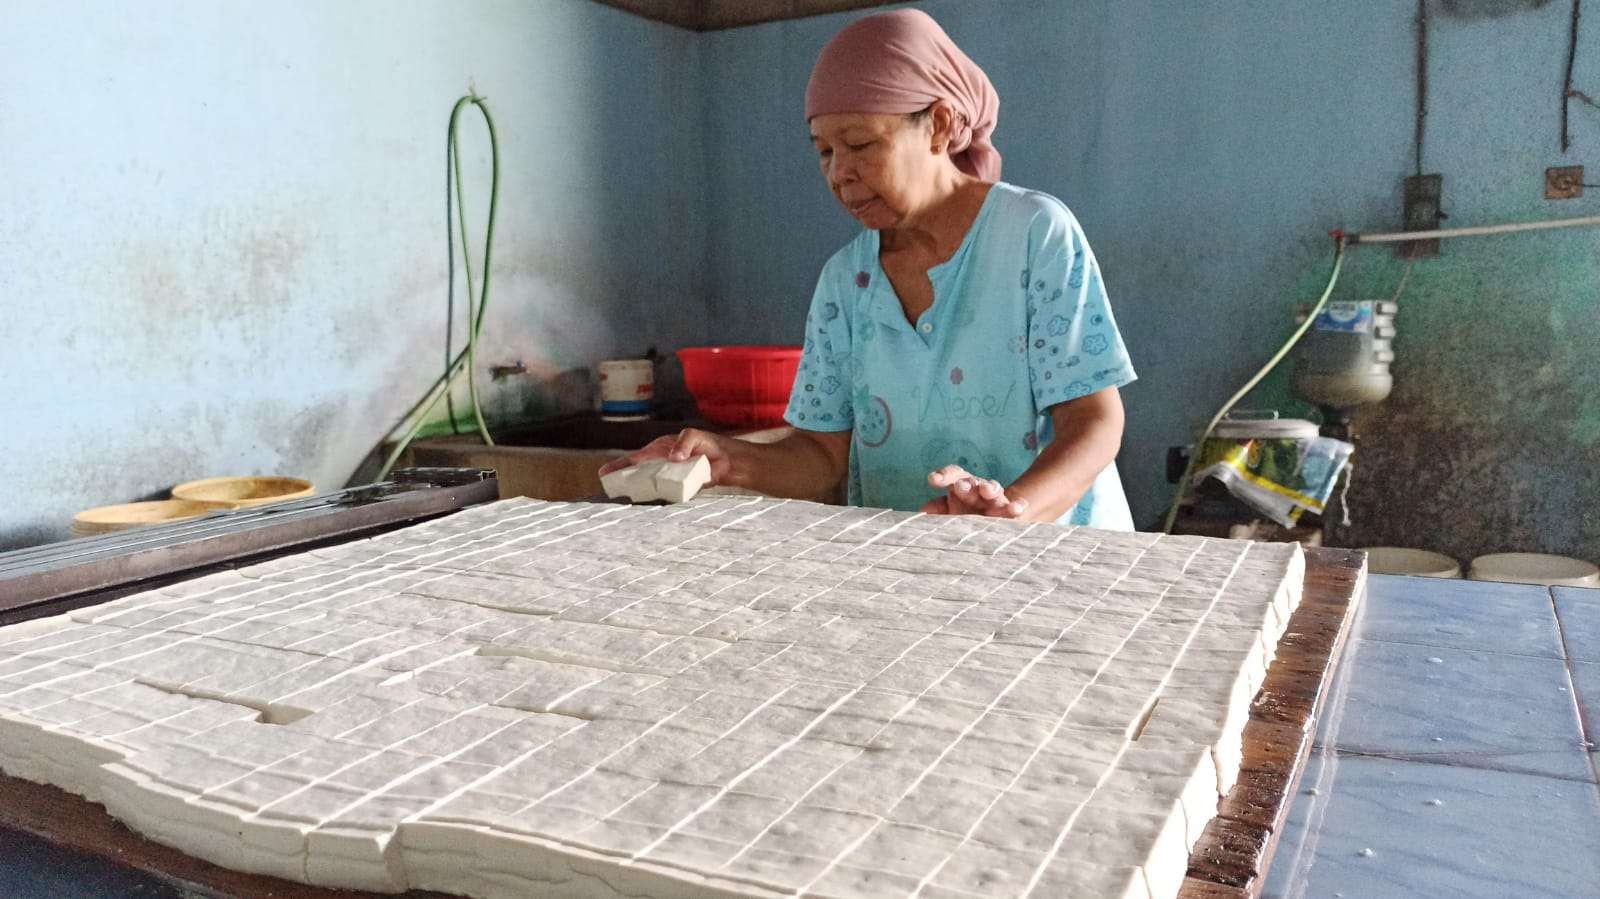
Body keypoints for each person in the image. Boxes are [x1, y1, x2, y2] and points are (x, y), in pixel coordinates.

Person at [600, 9, 1136, 529]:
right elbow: (819, 453)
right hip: (911, 571)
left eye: (860, 144)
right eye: (825, 152)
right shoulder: (846, 281)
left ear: (940, 125)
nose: (840, 174)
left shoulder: (1033, 235)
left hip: (1051, 554)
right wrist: (725, 458)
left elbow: (1093, 421)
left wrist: (1012, 510)